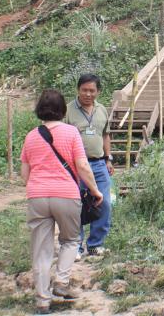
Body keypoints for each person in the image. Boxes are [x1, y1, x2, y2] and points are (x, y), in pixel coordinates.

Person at [21, 89, 103, 312]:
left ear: (40, 109)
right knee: (70, 240)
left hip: (37, 196)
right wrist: (96, 191)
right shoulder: (71, 132)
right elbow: (83, 166)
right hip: (66, 194)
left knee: (41, 249)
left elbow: (25, 174)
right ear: (62, 110)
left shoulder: (30, 136)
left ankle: (42, 300)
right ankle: (61, 281)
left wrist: (38, 187)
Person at [65, 73, 113, 258]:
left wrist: (108, 159)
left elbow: (105, 135)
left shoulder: (102, 110)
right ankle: (75, 247)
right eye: (84, 90)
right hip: (75, 166)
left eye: (92, 90)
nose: (87, 94)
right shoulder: (68, 111)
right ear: (78, 90)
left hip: (99, 164)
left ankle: (95, 244)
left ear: (98, 92)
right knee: (76, 205)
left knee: (105, 203)